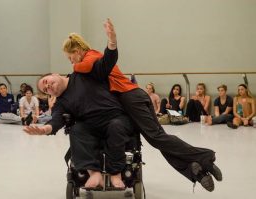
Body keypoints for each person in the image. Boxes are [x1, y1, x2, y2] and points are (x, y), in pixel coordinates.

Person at [61, 19, 222, 192]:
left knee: (157, 137)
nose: (72, 63)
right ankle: (196, 170)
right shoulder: (92, 58)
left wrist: (76, 68)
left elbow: (85, 66)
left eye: (71, 58)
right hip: (133, 97)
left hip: (131, 97)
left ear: (77, 51)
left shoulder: (91, 56)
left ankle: (206, 156)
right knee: (157, 139)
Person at [24, 20, 133, 189]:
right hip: (90, 125)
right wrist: (45, 129)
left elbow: (106, 63)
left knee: (116, 126)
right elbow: (56, 120)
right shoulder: (61, 102)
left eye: (46, 81)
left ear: (54, 74)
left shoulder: (83, 72)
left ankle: (116, 174)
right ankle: (93, 174)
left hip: (114, 118)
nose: (47, 86)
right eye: (45, 90)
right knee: (76, 130)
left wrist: (111, 42)